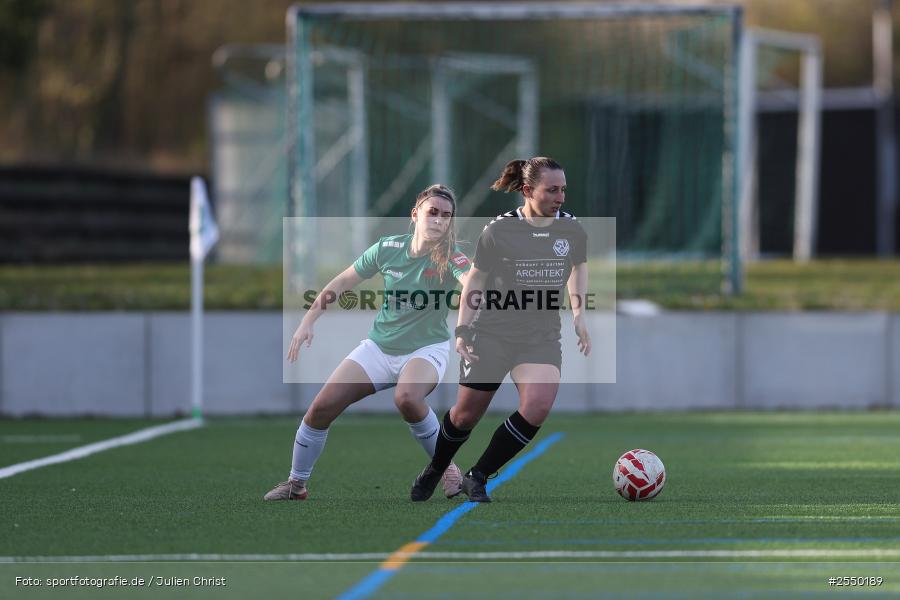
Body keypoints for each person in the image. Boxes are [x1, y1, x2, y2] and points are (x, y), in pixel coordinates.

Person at [265, 184, 471, 501]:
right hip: (379, 348)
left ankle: (447, 469)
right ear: (415, 214)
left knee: (407, 398)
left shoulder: (452, 257)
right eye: (433, 212)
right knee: (320, 410)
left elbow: (471, 284)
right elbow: (344, 281)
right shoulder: (387, 247)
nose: (439, 220)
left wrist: (464, 329)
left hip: (425, 349)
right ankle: (296, 484)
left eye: (446, 216)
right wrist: (308, 320)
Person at [410, 157, 590, 503]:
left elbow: (578, 268)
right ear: (527, 190)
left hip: (540, 337)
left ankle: (477, 476)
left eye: (563, 189)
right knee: (464, 415)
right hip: (492, 333)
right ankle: (437, 467)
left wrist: (579, 313)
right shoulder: (498, 231)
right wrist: (463, 329)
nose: (560, 197)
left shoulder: (572, 229)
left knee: (538, 405)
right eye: (552, 190)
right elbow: (475, 281)